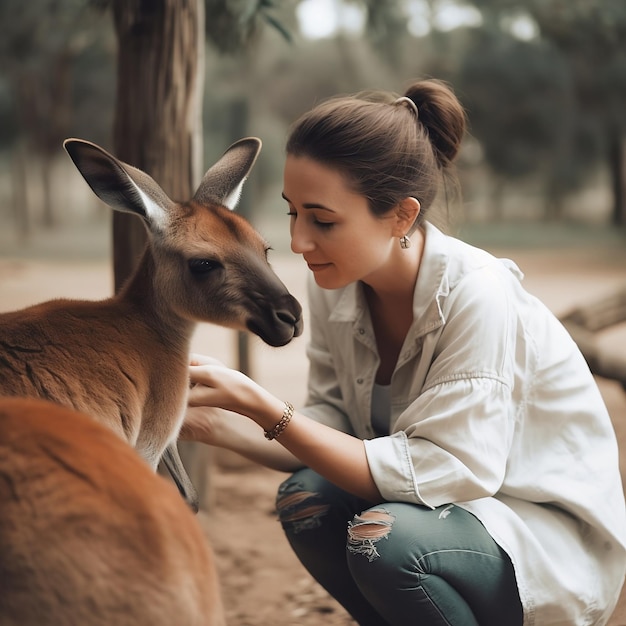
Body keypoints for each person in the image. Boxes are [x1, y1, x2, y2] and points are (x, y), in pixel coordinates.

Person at [182, 79, 626, 625]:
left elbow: (446, 470)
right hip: (436, 514)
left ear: (401, 216)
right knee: (307, 501)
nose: (298, 242)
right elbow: (331, 424)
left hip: (532, 535)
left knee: (384, 542)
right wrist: (214, 423)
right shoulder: (339, 280)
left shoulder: (475, 293)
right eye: (293, 212)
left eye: (323, 220)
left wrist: (266, 406)